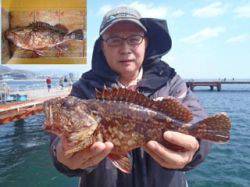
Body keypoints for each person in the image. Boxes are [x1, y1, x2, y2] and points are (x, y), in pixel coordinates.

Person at [49, 6, 211, 187]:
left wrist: (194, 149)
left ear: (146, 43)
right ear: (102, 46)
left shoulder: (170, 81)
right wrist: (62, 156)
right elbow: (58, 141)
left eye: (134, 39)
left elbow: (197, 121)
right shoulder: (84, 90)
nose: (125, 49)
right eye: (114, 40)